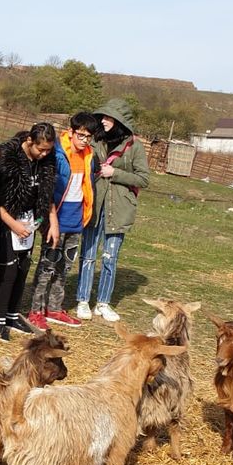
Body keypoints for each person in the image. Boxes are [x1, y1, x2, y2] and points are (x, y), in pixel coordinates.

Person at [75, 98, 149, 323]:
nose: (104, 121)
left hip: (119, 209)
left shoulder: (134, 146)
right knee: (88, 254)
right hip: (94, 205)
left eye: (109, 118)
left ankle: (103, 303)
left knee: (110, 256)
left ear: (120, 121)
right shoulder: (94, 140)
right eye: (103, 117)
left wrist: (114, 173)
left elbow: (143, 178)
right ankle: (82, 300)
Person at [28, 112, 98, 329]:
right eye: (81, 135)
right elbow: (48, 186)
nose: (84, 140)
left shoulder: (89, 155)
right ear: (72, 131)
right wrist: (50, 218)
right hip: (56, 216)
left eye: (89, 136)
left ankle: (55, 308)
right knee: (47, 265)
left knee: (64, 267)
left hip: (76, 217)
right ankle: (35, 310)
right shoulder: (57, 152)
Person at [0, 122, 58, 340]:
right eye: (41, 149)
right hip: (8, 220)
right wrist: (13, 224)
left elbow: (47, 195)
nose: (44, 154)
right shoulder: (7, 159)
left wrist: (51, 220)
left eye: (48, 150)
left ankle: (12, 314)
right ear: (29, 141)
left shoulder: (47, 162)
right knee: (8, 270)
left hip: (29, 221)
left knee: (23, 268)